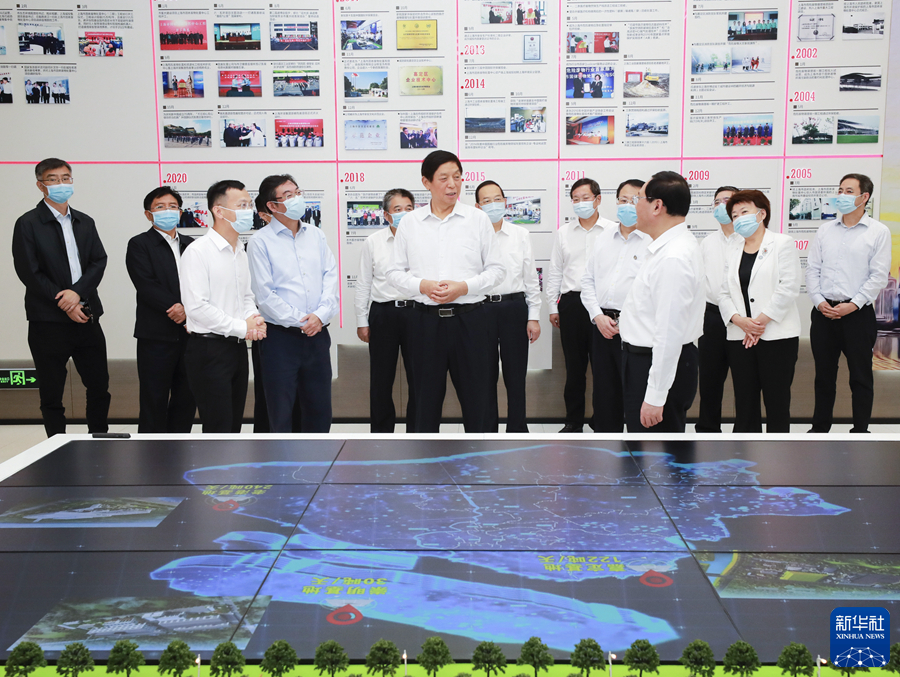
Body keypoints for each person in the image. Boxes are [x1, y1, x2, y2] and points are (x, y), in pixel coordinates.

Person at [386, 150, 504, 432]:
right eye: (444, 178)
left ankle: (482, 457)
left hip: (471, 321)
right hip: (424, 323)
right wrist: (422, 286)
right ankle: (423, 458)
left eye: (457, 177)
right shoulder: (410, 223)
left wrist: (463, 287)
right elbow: (393, 273)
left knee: (479, 401)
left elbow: (498, 270)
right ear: (426, 182)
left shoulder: (477, 220)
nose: (452, 184)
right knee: (423, 403)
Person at [12, 158, 111, 437]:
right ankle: (55, 443)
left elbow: (98, 261)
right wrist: (64, 302)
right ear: (40, 185)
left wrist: (77, 293)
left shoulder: (85, 221)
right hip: (47, 321)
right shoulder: (28, 223)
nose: (61, 184)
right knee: (51, 391)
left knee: (98, 385)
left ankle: (99, 438)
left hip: (87, 315)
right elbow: (29, 271)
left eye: (66, 178)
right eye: (53, 179)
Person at [248, 174, 337, 433]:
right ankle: (281, 459)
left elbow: (330, 278)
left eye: (297, 192)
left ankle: (320, 457)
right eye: (288, 196)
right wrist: (303, 321)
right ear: (272, 206)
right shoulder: (260, 242)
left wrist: (319, 316)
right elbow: (265, 296)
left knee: (319, 408)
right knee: (281, 410)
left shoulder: (316, 235)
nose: (297, 199)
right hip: (281, 339)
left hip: (317, 335)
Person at [619, 171, 704, 432]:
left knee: (655, 450)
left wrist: (655, 397)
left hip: (656, 366)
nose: (634, 206)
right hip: (648, 363)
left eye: (638, 199)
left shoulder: (673, 257)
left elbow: (669, 333)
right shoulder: (666, 247)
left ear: (657, 206)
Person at [806, 173, 890, 433]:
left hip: (857, 315)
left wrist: (853, 305)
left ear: (864, 197)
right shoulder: (825, 230)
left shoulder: (878, 232)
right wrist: (819, 301)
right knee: (823, 376)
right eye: (840, 190)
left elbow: (878, 276)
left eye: (849, 191)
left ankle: (860, 430)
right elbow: (812, 269)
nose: (841, 195)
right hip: (823, 313)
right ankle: (820, 428)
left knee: (860, 376)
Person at [180, 179, 266, 433]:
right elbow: (197, 308)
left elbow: (246, 295)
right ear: (219, 211)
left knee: (233, 425)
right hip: (209, 349)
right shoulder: (198, 251)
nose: (249, 211)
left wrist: (254, 319)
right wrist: (242, 327)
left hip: (237, 349)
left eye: (249, 205)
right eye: (242, 205)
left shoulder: (240, 250)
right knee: (218, 427)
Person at [718, 190, 800, 432]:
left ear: (762, 214)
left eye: (744, 212)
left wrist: (758, 323)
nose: (739, 218)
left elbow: (788, 287)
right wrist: (739, 320)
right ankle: (745, 449)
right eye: (734, 215)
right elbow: (723, 293)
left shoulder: (782, 243)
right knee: (744, 400)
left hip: (776, 336)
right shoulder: (733, 247)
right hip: (740, 336)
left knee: (777, 400)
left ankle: (778, 450)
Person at [580, 179, 650, 432]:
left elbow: (653, 291)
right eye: (623, 199)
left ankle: (637, 447)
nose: (627, 205)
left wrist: (626, 319)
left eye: (634, 200)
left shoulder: (652, 241)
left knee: (636, 391)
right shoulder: (603, 238)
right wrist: (597, 316)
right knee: (605, 391)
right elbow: (587, 281)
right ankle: (605, 443)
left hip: (637, 329)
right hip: (602, 326)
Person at [546, 177, 616, 432]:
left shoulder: (613, 230)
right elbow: (555, 271)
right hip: (572, 305)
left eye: (585, 198)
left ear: (598, 199)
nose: (580, 203)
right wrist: (553, 307)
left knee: (603, 369)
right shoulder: (564, 232)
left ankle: (602, 420)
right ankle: (573, 421)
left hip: (603, 305)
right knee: (574, 369)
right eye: (575, 199)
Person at [125, 186, 196, 433]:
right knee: (154, 398)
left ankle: (180, 446)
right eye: (160, 207)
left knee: (186, 396)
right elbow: (146, 284)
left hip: (190, 333)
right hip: (155, 335)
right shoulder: (140, 244)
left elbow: (202, 284)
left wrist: (188, 309)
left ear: (180, 212)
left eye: (173, 206)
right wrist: (175, 307)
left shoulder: (192, 245)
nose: (168, 211)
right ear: (149, 214)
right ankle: (150, 450)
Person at [475, 180, 542, 432]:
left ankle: (517, 429)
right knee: (484, 375)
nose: (493, 204)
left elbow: (530, 278)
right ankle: (487, 430)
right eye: (486, 201)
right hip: (480, 310)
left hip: (514, 308)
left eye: (497, 199)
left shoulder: (520, 235)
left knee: (516, 375)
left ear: (505, 202)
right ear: (478, 206)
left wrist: (533, 316)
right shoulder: (471, 237)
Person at [355, 188, 418, 433]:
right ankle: (381, 435)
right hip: (383, 314)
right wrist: (362, 320)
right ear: (386, 215)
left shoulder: (423, 240)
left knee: (419, 378)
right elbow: (363, 283)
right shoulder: (374, 241)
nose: (404, 213)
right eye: (397, 209)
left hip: (417, 313)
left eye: (409, 208)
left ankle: (417, 434)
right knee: (381, 380)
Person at [696, 185, 741, 433]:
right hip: (712, 317)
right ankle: (707, 429)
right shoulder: (707, 242)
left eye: (727, 200)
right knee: (710, 379)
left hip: (743, 318)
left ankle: (743, 431)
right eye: (716, 201)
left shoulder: (749, 239)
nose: (721, 205)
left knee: (744, 380)